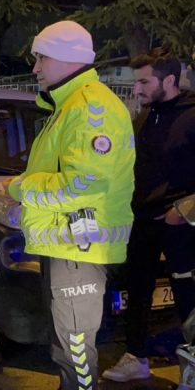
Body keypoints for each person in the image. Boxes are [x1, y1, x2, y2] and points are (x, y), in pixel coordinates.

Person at [1, 20, 136, 389]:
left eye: (40, 57)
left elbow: (85, 184)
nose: (35, 68)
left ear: (66, 58)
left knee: (74, 349)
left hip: (78, 248)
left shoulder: (91, 108)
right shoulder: (72, 104)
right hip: (69, 244)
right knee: (66, 344)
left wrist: (21, 188)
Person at [102, 48, 195, 383]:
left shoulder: (191, 115)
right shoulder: (144, 117)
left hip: (182, 225)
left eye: (143, 81)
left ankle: (192, 367)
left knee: (188, 295)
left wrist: (182, 212)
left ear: (168, 80)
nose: (136, 88)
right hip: (141, 220)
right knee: (137, 291)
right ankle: (136, 357)